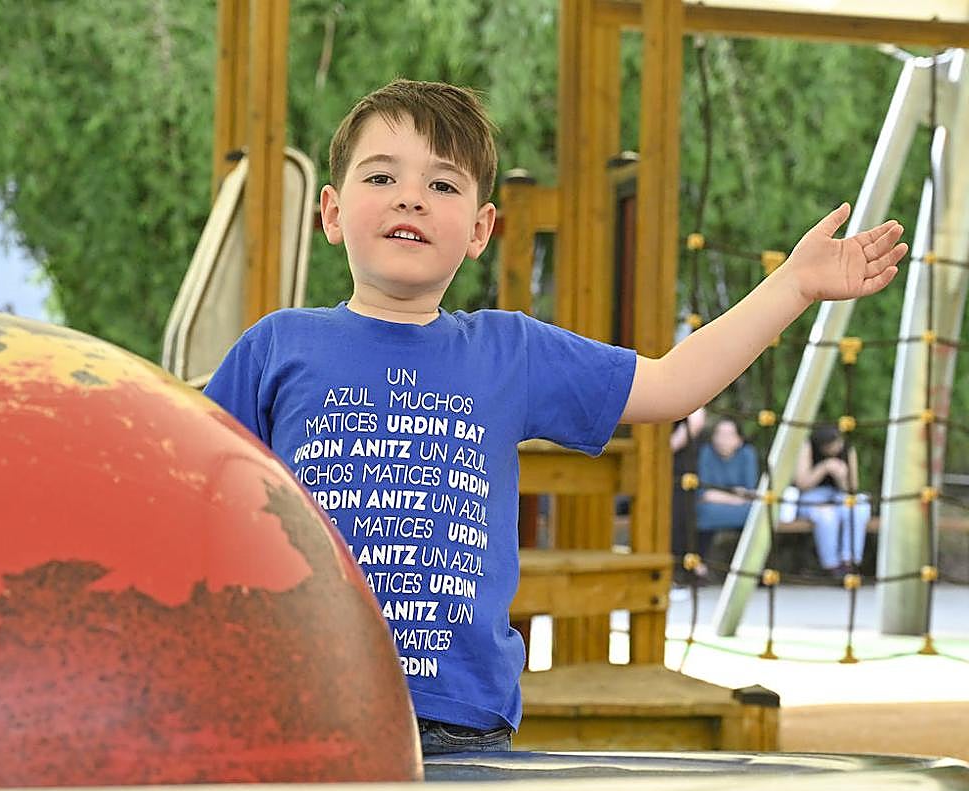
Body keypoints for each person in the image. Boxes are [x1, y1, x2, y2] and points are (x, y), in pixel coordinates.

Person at [203, 79, 907, 755]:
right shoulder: (277, 345)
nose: (411, 198)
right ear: (331, 212)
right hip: (301, 704)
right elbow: (196, 487)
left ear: (481, 230)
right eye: (381, 178)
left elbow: (669, 384)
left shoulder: (509, 349)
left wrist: (793, 285)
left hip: (460, 723)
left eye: (442, 184)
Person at [788, 424, 872, 575]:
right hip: (812, 496)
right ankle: (832, 566)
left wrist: (841, 478)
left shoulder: (847, 449)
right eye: (833, 445)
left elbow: (852, 488)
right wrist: (824, 468)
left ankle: (849, 561)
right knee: (826, 515)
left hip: (839, 495)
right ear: (824, 446)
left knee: (859, 507)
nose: (838, 447)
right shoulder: (808, 446)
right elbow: (801, 484)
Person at [694, 416, 759, 561]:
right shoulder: (706, 453)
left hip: (738, 507)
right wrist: (735, 496)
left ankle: (752, 565)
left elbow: (749, 492)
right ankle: (699, 567)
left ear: (739, 439)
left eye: (729, 435)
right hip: (713, 507)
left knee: (756, 515)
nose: (723, 439)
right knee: (704, 512)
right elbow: (705, 493)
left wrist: (724, 496)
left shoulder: (747, 453)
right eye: (719, 434)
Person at [670, 407, 707, 584]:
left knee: (680, 518)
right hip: (671, 468)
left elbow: (696, 419)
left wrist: (666, 448)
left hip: (681, 468)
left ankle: (682, 572)